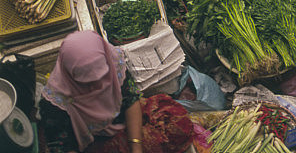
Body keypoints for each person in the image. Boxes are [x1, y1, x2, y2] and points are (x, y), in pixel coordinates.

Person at [39, 30, 194, 153]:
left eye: (102, 77)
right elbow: (62, 146)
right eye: (88, 83)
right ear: (71, 75)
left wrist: (136, 147)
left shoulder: (114, 62)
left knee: (176, 120)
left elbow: (130, 100)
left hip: (121, 123)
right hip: (92, 141)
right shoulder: (55, 103)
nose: (99, 86)